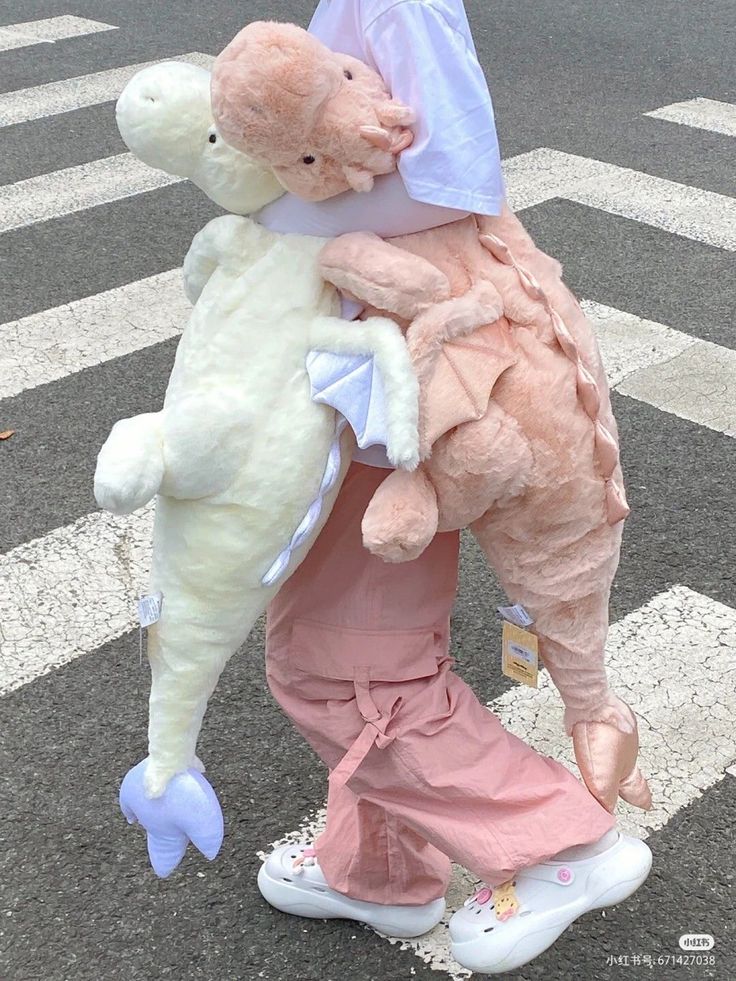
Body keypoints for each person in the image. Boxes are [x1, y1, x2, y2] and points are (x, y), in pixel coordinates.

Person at [254, 1, 652, 973]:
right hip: (387, 358)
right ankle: (376, 868)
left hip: (431, 366)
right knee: (361, 639)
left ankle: (563, 845)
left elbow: (452, 178)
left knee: (337, 659)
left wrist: (262, 207)